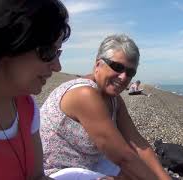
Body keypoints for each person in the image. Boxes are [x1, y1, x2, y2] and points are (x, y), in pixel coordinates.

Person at [40, 34, 171, 180]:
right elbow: (124, 157)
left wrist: (164, 177)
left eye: (130, 72)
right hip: (55, 171)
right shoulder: (84, 94)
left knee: (140, 171)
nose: (123, 77)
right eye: (117, 67)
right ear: (98, 64)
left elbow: (137, 143)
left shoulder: (114, 99)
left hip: (88, 164)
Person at [0, 0, 71, 179]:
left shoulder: (26, 105)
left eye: (58, 52)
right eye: (48, 52)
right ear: (11, 43)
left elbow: (37, 176)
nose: (57, 66)